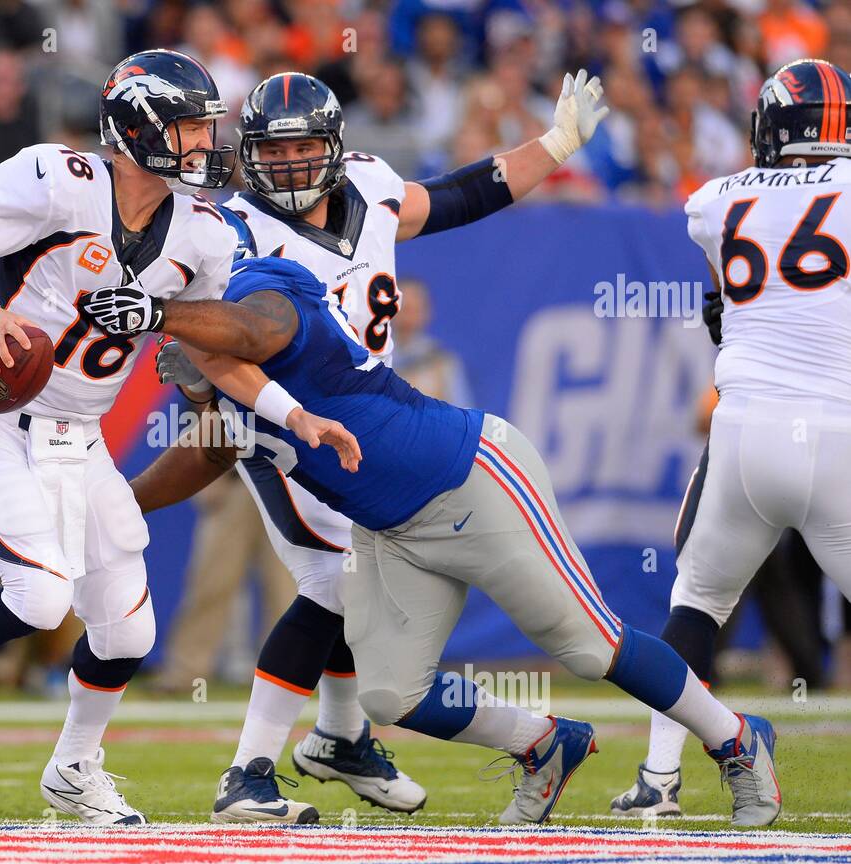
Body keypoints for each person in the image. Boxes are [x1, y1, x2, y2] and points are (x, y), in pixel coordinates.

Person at [80, 271, 781, 827]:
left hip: (471, 478)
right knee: (389, 694)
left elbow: (255, 329)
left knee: (589, 647)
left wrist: (157, 312)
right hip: (390, 530)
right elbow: (210, 452)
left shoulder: (267, 285)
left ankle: (736, 739)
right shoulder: (222, 373)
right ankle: (541, 741)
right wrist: (120, 499)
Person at [0, 49, 354, 825]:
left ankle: (72, 768)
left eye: (204, 127)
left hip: (78, 435)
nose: (203, 142)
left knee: (129, 629)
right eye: (190, 126)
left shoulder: (203, 231)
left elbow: (217, 356)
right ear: (141, 126)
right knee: (40, 594)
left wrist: (294, 416)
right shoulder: (58, 177)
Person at [138, 69, 613, 822]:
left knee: (355, 587)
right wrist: (197, 379)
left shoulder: (373, 183)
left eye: (303, 150)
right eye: (274, 151)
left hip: (370, 424)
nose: (290, 165)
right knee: (334, 583)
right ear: (248, 154)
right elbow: (210, 341)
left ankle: (342, 735)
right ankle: (250, 772)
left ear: (333, 148)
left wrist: (555, 144)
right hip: (286, 423)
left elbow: (462, 195)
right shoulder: (231, 230)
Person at [612, 59, 851, 818]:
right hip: (836, 429)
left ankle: (657, 781)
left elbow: (728, 301)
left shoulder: (717, 199)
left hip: (745, 429)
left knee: (695, 598)